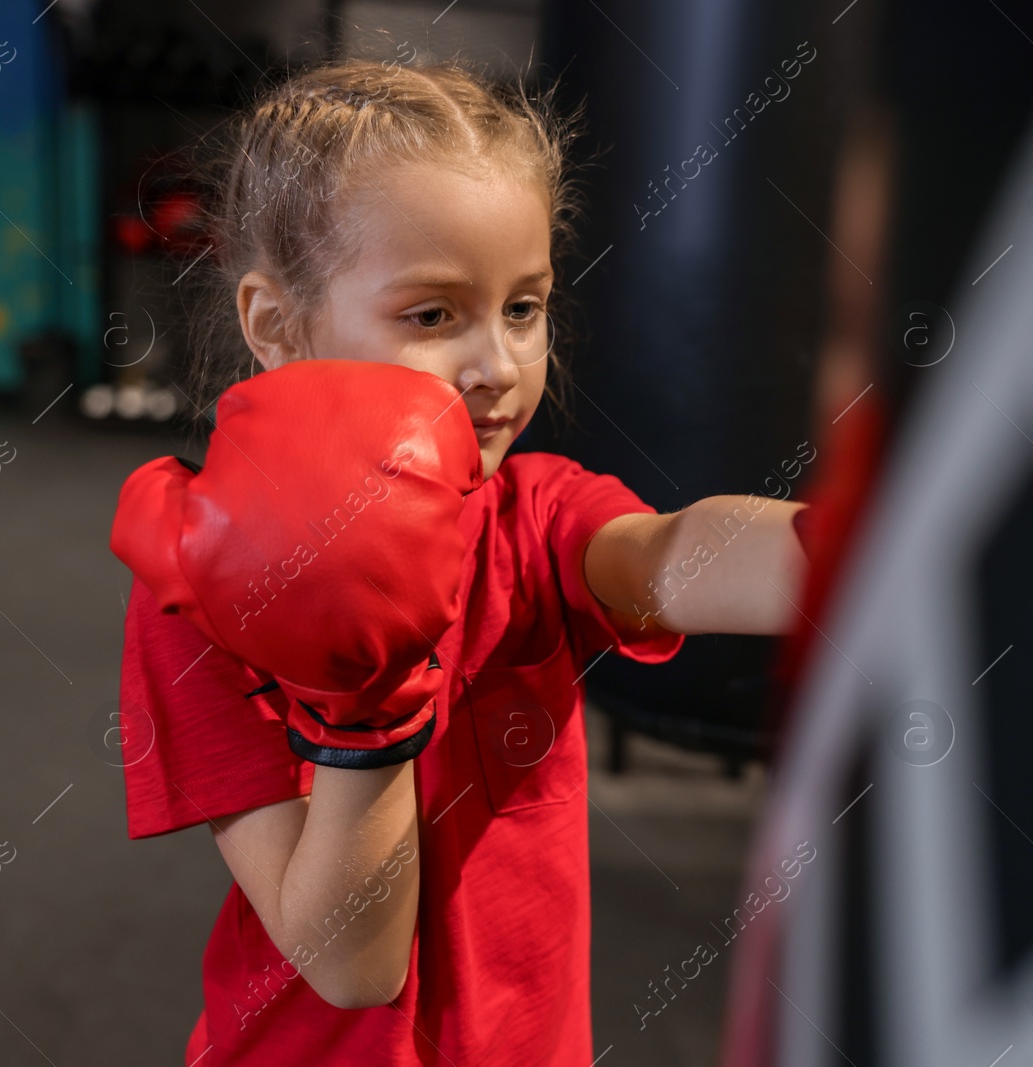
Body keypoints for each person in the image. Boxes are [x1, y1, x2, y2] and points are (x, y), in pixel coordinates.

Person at [112, 59, 809, 1066]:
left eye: (523, 307)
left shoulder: (533, 513)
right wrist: (368, 705)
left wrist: (868, 540)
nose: (497, 364)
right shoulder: (200, 591)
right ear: (274, 324)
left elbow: (670, 551)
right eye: (433, 314)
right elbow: (352, 963)